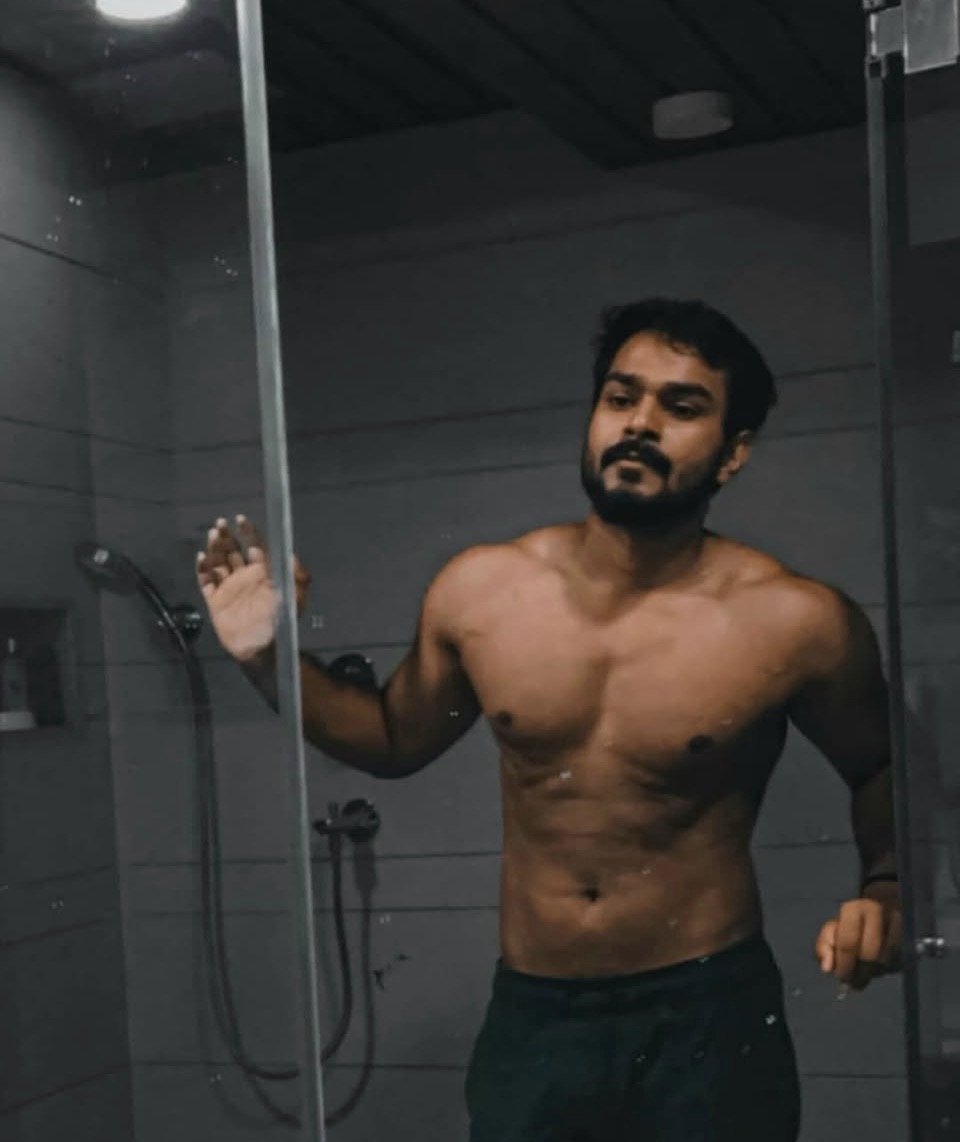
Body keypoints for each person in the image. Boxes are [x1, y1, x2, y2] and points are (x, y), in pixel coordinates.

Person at [197, 298, 902, 1142]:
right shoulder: (481, 591)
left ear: (734, 451)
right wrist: (266, 658)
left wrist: (887, 888)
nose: (639, 424)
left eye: (681, 407)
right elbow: (390, 738)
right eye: (620, 397)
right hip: (536, 1014)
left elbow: (883, 767)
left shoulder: (795, 620)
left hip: (706, 1008)